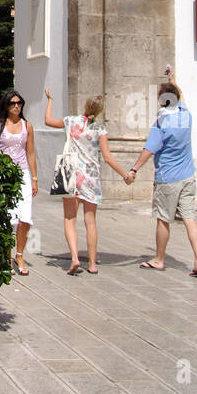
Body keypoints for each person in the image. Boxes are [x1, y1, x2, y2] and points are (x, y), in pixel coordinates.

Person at [44, 85, 131, 275]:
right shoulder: (100, 129)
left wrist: (50, 100)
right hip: (91, 177)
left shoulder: (71, 121)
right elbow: (107, 157)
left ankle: (75, 258)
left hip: (72, 174)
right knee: (90, 221)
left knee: (69, 219)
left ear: (85, 106)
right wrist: (125, 175)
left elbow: (48, 121)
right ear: (99, 111)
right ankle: (92, 264)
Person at [127, 76, 197, 278]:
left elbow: (148, 150)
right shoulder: (186, 115)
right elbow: (182, 98)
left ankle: (159, 259)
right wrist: (173, 81)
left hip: (168, 178)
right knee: (189, 218)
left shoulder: (162, 123)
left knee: (163, 219)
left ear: (162, 101)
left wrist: (134, 169)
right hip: (188, 176)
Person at [0, 89, 38, 275]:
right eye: (13, 103)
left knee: (25, 218)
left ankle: (20, 254)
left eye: (19, 103)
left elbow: (30, 153)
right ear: (6, 106)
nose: (16, 106)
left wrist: (34, 178)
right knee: (8, 217)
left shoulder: (27, 126)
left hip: (23, 173)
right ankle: (7, 256)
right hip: (4, 175)